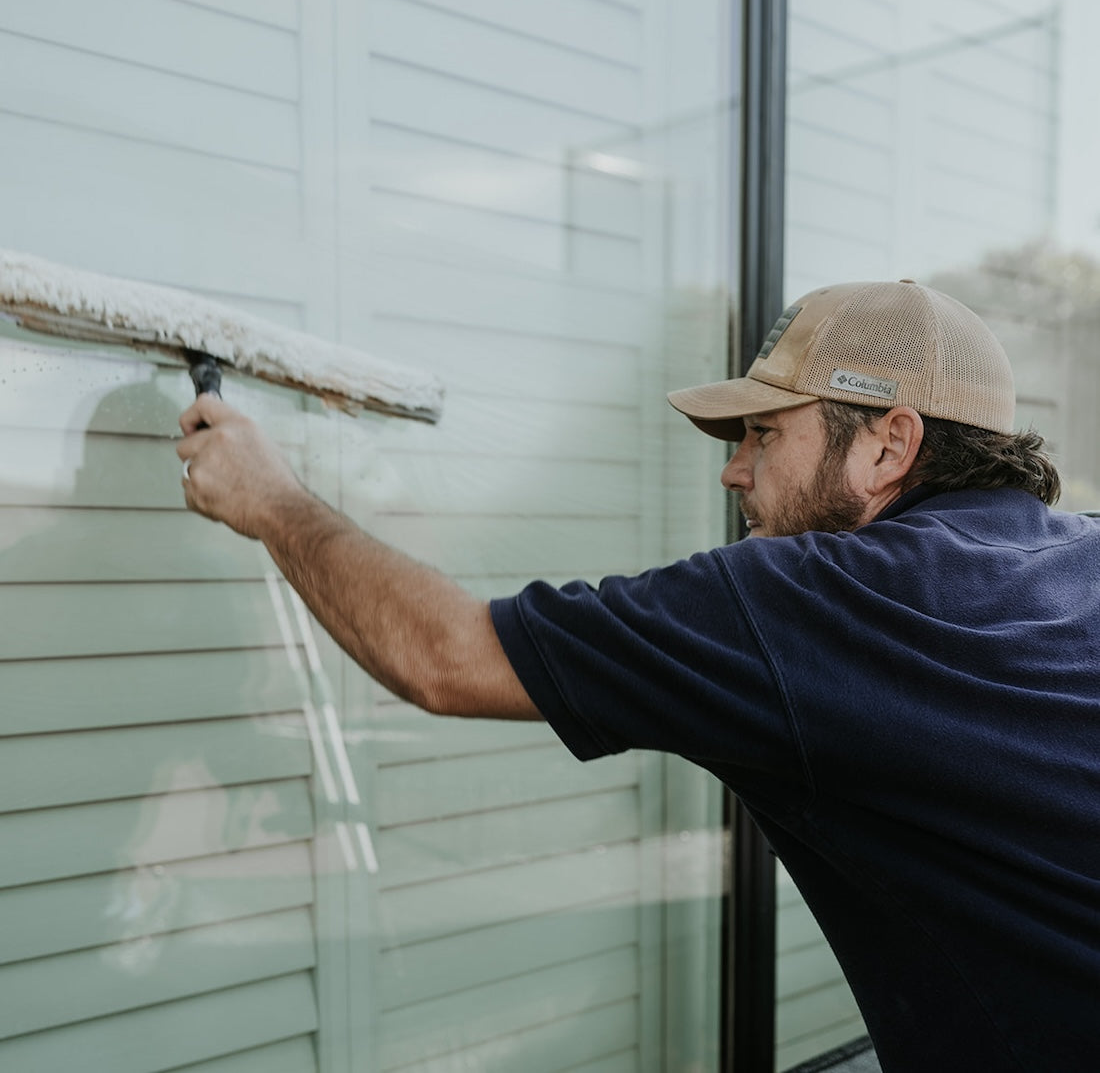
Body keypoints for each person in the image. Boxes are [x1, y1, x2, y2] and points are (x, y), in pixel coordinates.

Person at [177, 280, 1099, 1073]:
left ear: (888, 446)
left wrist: (272, 500)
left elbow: (446, 657)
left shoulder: (815, 599)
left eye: (763, 435)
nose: (734, 471)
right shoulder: (1083, 558)